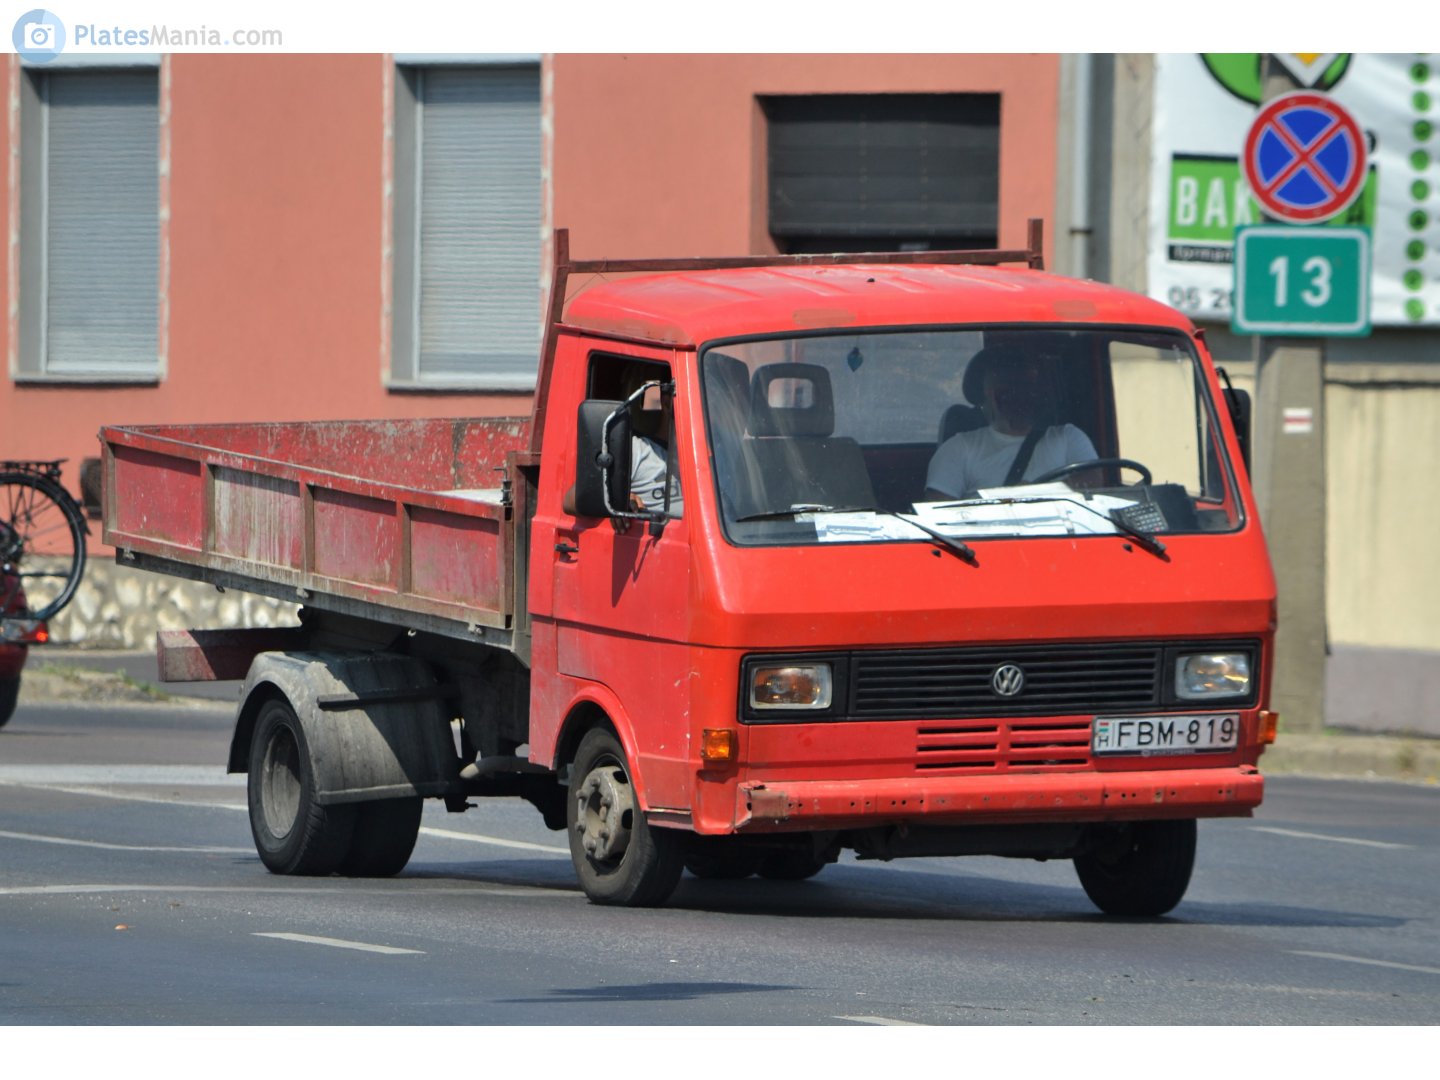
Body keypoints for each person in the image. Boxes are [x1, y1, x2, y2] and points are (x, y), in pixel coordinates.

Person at [924, 344, 1096, 499]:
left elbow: (1093, 483)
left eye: (1024, 386)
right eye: (1005, 389)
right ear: (983, 395)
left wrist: (1033, 492)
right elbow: (937, 514)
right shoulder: (958, 449)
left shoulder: (1068, 437)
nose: (1017, 395)